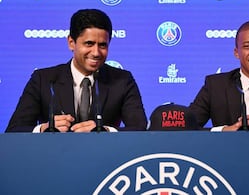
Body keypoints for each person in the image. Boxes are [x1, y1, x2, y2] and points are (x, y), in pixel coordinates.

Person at [6, 9, 147, 133]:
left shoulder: (122, 80)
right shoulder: (43, 79)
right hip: (54, 159)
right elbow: (14, 130)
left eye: (103, 45)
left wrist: (105, 131)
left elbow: (140, 128)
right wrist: (44, 128)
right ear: (71, 43)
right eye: (89, 44)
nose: (96, 52)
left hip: (107, 160)